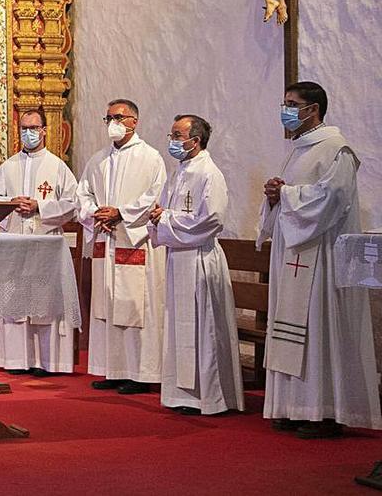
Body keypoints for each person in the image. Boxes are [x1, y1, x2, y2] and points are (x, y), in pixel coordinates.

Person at [259, 81, 381, 437]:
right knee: (294, 330)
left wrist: (287, 193)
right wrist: (274, 196)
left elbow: (332, 198)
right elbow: (293, 196)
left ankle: (325, 412)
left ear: (312, 109)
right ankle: (294, 406)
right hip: (294, 254)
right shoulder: (298, 149)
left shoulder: (336, 149)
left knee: (319, 330)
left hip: (322, 257)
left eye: (290, 103)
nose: (285, 109)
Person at [149, 115, 243, 416]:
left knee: (204, 329)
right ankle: (182, 394)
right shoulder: (179, 172)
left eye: (177, 135)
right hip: (179, 258)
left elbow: (212, 219)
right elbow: (163, 209)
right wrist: (158, 216)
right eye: (172, 134)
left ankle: (210, 396)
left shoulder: (209, 174)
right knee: (180, 326)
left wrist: (165, 219)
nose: (173, 141)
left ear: (195, 140)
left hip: (200, 259)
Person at [76, 98, 167, 395]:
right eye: (108, 118)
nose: (112, 123)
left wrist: (120, 213)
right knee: (107, 307)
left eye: (118, 116)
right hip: (106, 240)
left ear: (133, 121)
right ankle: (112, 369)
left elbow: (154, 198)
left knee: (134, 305)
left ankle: (139, 373)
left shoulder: (150, 158)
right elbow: (83, 195)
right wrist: (95, 213)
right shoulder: (98, 159)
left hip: (133, 241)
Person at [0, 108, 78, 376]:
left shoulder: (57, 166)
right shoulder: (8, 166)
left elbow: (73, 204)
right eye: (24, 128)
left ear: (45, 130)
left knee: (44, 300)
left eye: (34, 128)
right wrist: (9, 203)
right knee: (15, 299)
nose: (29, 133)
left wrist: (41, 206)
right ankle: (16, 360)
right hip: (14, 245)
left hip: (43, 244)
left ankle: (47, 362)